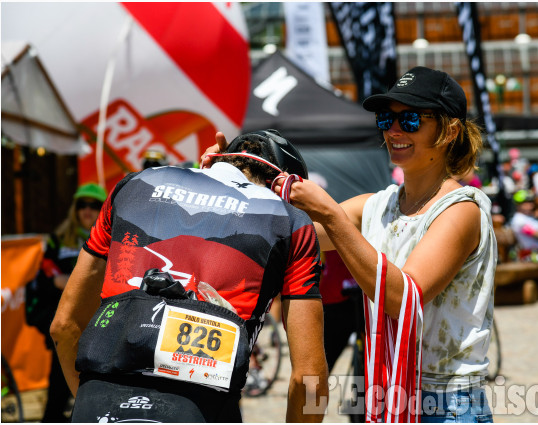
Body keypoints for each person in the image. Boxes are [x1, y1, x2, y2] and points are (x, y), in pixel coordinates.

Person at [204, 66, 498, 422]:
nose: (393, 130)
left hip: (446, 403)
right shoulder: (377, 205)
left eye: (411, 120)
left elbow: (401, 300)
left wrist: (331, 214)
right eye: (386, 118)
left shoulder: (462, 209)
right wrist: (225, 177)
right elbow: (283, 236)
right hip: (389, 394)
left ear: (450, 130)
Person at [50, 130, 329, 423]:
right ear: (287, 187)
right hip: (201, 406)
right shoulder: (291, 222)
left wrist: (88, 399)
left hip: (97, 400)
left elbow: (64, 327)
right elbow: (310, 379)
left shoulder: (132, 185)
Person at [25, 183, 107, 422]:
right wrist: (59, 282)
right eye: (82, 205)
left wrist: (68, 280)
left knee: (93, 386)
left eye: (94, 206)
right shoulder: (57, 240)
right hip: (67, 322)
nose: (87, 211)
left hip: (98, 322)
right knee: (59, 388)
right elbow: (45, 278)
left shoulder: (112, 238)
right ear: (75, 208)